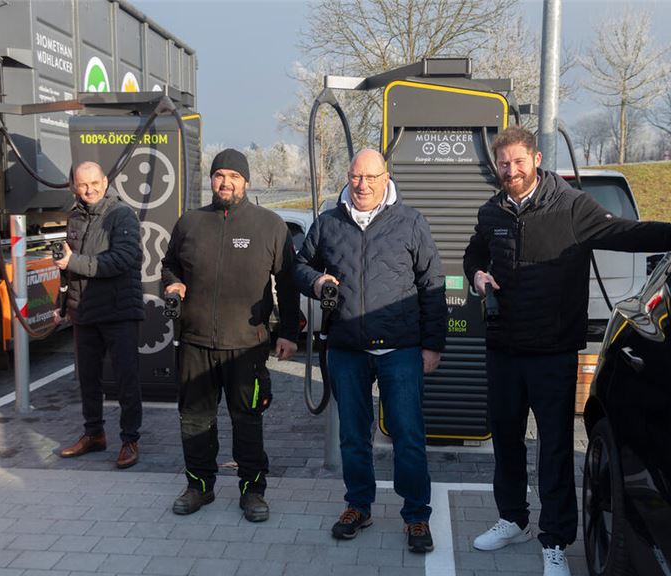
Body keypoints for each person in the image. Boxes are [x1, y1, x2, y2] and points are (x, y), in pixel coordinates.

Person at [462, 126, 671, 576]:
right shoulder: (492, 212)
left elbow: (625, 232)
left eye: (518, 162)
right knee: (505, 440)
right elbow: (472, 256)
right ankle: (513, 519)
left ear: (536, 159)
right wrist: (478, 277)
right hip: (503, 350)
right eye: (503, 164)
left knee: (555, 449)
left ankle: (555, 541)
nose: (511, 171)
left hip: (552, 353)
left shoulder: (570, 206)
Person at [295, 149, 447, 554]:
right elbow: (299, 266)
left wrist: (433, 345)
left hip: (400, 349)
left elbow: (433, 285)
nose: (361, 184)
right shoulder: (328, 222)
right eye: (355, 176)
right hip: (347, 348)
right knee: (352, 436)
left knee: (408, 435)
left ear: (386, 178)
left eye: (370, 177)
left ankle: (416, 515)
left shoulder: (411, 222)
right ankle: (357, 505)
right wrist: (314, 280)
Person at [161, 148, 299, 523]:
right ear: (211, 180)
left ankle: (253, 490)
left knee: (247, 421)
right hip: (195, 342)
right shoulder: (189, 223)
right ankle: (199, 486)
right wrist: (172, 285)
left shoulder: (270, 225)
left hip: (247, 347)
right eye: (220, 175)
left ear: (246, 181)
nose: (226, 182)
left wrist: (288, 332)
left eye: (234, 176)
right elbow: (169, 265)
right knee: (194, 419)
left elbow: (287, 284)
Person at [54, 161, 144, 469]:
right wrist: (62, 304)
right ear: (74, 186)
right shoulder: (75, 216)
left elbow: (123, 259)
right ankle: (94, 434)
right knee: (88, 379)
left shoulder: (122, 215)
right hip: (84, 312)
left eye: (94, 183)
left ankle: (130, 440)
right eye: (82, 185)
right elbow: (67, 265)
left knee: (126, 379)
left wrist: (74, 263)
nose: (89, 189)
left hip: (119, 311)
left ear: (105, 182)